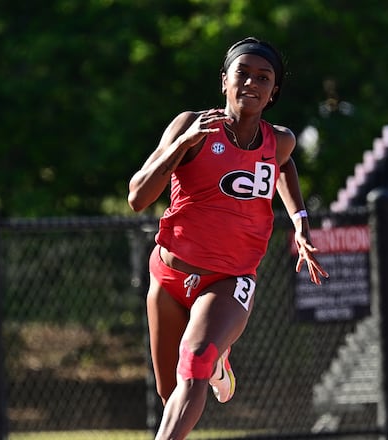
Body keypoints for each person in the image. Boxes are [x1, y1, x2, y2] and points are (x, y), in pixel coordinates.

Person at [127, 37, 329, 439]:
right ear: (224, 81)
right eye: (243, 73)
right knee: (173, 396)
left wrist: (300, 220)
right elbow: (137, 197)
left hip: (230, 278)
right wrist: (182, 146)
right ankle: (219, 363)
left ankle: (212, 359)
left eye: (263, 77)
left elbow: (284, 165)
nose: (251, 83)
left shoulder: (279, 140)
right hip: (168, 278)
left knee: (196, 360)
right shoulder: (192, 125)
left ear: (273, 92)